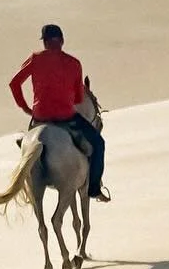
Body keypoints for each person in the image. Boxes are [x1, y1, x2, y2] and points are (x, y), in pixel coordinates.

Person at [8, 24, 106, 197]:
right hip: (66, 117)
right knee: (98, 144)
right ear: (62, 41)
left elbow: (14, 83)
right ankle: (93, 189)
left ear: (45, 42)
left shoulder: (35, 59)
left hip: (40, 116)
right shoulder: (74, 64)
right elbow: (77, 99)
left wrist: (24, 107)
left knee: (29, 140)